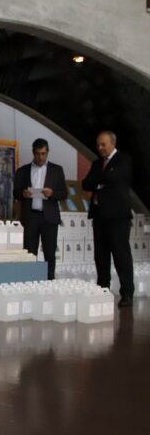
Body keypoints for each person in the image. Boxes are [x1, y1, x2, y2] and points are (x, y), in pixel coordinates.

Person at [82, 131, 134, 307]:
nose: (100, 148)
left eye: (103, 144)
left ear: (113, 143)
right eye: (98, 145)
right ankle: (103, 287)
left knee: (121, 255)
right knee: (100, 256)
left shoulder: (123, 160)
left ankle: (127, 292)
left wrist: (99, 180)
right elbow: (86, 184)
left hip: (118, 217)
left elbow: (113, 177)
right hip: (99, 216)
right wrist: (101, 180)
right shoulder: (97, 163)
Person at [13, 138, 67, 279]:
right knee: (30, 252)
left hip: (49, 217)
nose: (41, 157)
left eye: (43, 153)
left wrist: (52, 193)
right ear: (33, 153)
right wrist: (23, 193)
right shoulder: (22, 171)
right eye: (38, 154)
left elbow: (64, 193)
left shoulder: (57, 170)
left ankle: (49, 281)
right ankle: (29, 280)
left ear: (47, 152)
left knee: (49, 252)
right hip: (30, 217)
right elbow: (15, 192)